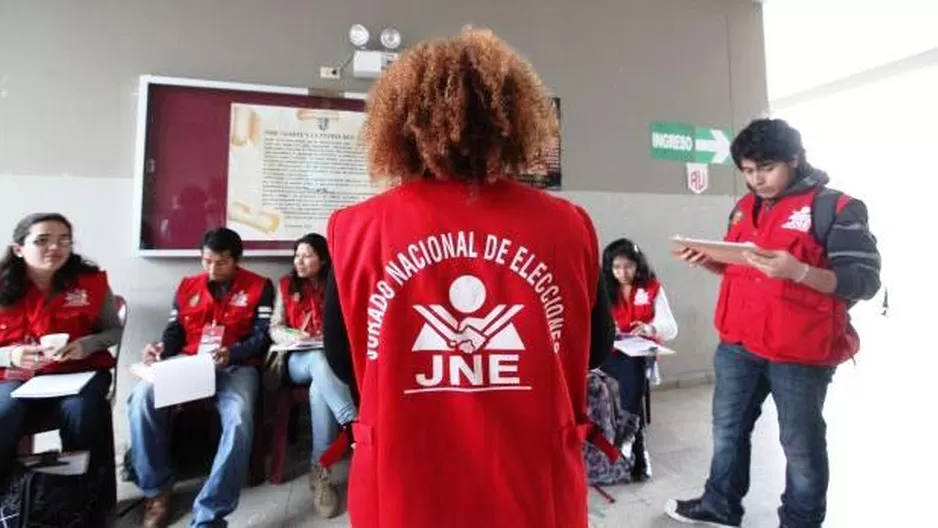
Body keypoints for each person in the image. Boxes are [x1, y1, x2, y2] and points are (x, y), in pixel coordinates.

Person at [323, 28, 615, 528]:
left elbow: (342, 358)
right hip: (531, 483)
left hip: (402, 483)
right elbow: (597, 346)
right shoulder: (569, 225)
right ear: (512, 122)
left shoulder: (356, 229)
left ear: (402, 125)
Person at [666, 118, 881, 528]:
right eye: (747, 170)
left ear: (795, 159)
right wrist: (711, 260)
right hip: (738, 344)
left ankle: (800, 522)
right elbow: (746, 269)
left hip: (800, 352)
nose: (756, 179)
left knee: (799, 445)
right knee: (727, 431)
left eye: (766, 168)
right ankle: (720, 505)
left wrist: (800, 272)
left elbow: (865, 281)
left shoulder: (835, 208)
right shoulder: (744, 207)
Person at [127, 227, 274, 528]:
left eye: (220, 262)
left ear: (237, 260)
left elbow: (263, 337)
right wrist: (161, 348)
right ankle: (156, 491)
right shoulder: (187, 287)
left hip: (235, 367)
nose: (212, 269)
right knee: (141, 398)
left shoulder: (260, 286)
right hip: (188, 363)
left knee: (240, 416)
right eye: (206, 261)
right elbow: (174, 332)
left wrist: (233, 353)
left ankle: (211, 512)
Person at [0, 213, 122, 492]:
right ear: (19, 249)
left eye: (63, 240)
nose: (55, 248)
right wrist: (10, 356)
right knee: (3, 414)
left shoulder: (91, 283)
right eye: (43, 241)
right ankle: (12, 502)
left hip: (77, 375)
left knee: (83, 414)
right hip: (15, 377)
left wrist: (85, 346)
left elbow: (112, 331)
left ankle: (85, 501)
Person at [265, 233, 357, 518]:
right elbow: (275, 327)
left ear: (323, 259)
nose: (300, 261)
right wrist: (297, 335)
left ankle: (320, 470)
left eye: (307, 255)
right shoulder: (285, 284)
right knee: (318, 360)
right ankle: (352, 421)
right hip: (296, 360)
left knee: (320, 387)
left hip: (328, 366)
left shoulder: (336, 284)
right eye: (297, 256)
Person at [600, 237, 678, 481]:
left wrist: (649, 329)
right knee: (633, 377)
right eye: (617, 267)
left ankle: (628, 434)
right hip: (609, 354)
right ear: (609, 268)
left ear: (638, 265)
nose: (623, 272)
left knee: (634, 365)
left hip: (639, 353)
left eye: (629, 266)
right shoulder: (601, 288)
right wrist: (605, 327)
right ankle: (634, 441)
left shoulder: (652, 287)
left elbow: (670, 327)